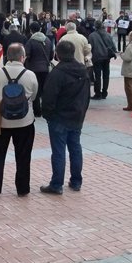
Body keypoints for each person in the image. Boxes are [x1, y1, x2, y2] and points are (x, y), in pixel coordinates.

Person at [0, 43, 38, 198]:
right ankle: (22, 188)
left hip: (2, 120)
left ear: (7, 56)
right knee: (23, 156)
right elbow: (33, 96)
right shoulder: (30, 74)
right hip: (25, 121)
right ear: (22, 57)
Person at [39, 41, 90, 195]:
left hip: (59, 117)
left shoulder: (57, 73)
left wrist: (47, 114)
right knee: (75, 148)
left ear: (58, 54)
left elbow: (48, 97)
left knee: (59, 151)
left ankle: (57, 184)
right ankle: (76, 181)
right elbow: (87, 95)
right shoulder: (83, 70)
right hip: (76, 115)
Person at [23, 21, 53, 117]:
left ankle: (37, 111)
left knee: (35, 90)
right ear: (40, 29)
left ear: (31, 30)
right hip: (45, 69)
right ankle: (45, 109)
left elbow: (27, 55)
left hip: (33, 69)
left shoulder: (31, 41)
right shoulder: (47, 40)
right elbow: (51, 55)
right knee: (45, 90)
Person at [88, 20, 117, 100]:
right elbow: (113, 47)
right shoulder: (108, 35)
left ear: (95, 26)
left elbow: (90, 48)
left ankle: (98, 93)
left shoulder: (92, 35)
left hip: (97, 57)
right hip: (106, 57)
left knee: (97, 76)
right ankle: (104, 92)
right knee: (106, 75)